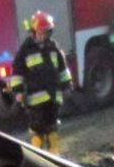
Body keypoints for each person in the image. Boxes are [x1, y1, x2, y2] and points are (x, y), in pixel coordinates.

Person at [8, 11, 73, 153]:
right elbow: (17, 73)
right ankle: (39, 158)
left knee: (52, 129)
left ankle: (55, 158)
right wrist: (18, 91)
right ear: (34, 31)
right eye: (41, 32)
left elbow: (62, 70)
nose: (44, 35)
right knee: (37, 132)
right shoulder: (25, 50)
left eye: (47, 32)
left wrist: (67, 86)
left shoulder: (53, 48)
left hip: (53, 97)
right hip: (34, 99)